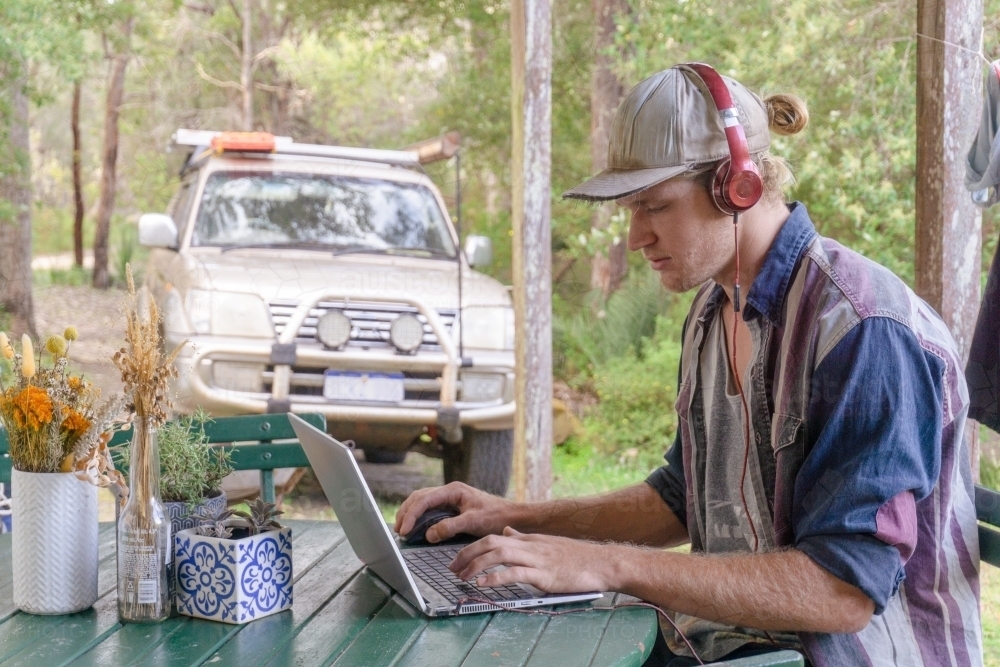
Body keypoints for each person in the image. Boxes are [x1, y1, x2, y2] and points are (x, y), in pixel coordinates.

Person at [395, 64, 982, 666]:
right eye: (631, 209)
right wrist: (514, 517)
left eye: (654, 206)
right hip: (729, 647)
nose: (635, 237)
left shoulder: (861, 330)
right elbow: (682, 498)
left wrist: (606, 564)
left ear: (738, 187)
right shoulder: (712, 308)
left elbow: (843, 590)